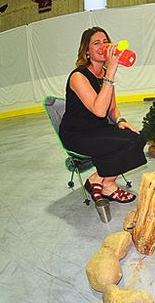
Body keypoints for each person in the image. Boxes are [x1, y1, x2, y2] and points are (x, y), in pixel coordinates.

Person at [59, 26, 147, 203]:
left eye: (106, 42)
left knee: (138, 137)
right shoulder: (78, 76)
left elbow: (111, 109)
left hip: (98, 129)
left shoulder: (104, 75)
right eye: (96, 43)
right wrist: (111, 72)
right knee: (120, 145)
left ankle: (98, 179)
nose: (103, 46)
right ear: (87, 51)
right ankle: (109, 186)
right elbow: (99, 110)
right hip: (77, 134)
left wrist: (121, 121)